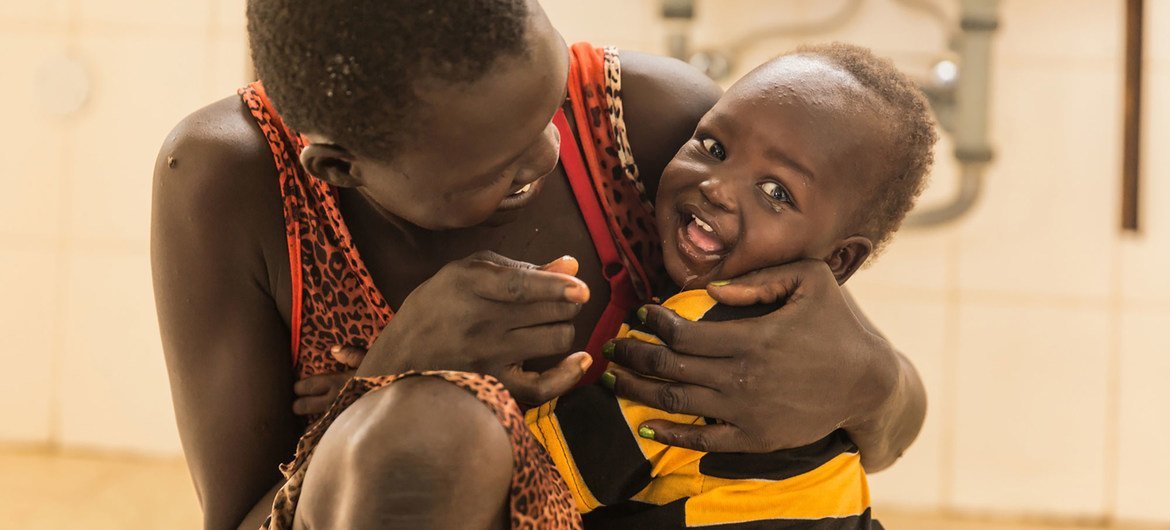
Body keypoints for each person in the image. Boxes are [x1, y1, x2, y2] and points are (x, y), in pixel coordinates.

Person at [149, 0, 927, 528]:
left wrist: (874, 379)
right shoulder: (228, 180)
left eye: (550, 101)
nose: (552, 151)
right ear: (339, 169)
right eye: (497, 167)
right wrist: (384, 378)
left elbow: (878, 427)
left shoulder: (646, 124)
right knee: (428, 432)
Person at [526, 42, 936, 529]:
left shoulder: (706, 334)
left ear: (838, 259)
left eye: (775, 192)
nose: (717, 187)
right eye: (715, 149)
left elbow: (539, 478)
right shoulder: (801, 322)